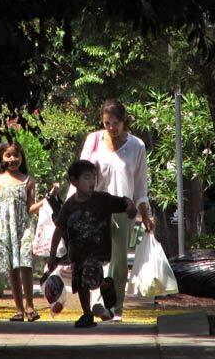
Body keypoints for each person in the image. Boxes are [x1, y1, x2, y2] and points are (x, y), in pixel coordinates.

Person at [69, 98, 154, 322]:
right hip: (94, 209)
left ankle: (115, 308)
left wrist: (145, 214)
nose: (111, 128)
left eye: (115, 123)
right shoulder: (93, 140)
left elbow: (140, 185)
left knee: (117, 261)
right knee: (94, 258)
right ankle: (99, 303)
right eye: (107, 123)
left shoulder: (137, 146)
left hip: (122, 210)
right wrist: (72, 206)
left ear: (124, 121)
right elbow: (80, 175)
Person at [0, 141, 58, 322]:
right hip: (5, 230)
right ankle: (19, 309)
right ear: (1, 157)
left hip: (23, 228)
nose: (12, 159)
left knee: (26, 265)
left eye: (16, 155)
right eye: (8, 155)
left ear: (21, 157)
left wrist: (48, 197)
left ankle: (30, 308)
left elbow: (31, 208)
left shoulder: (29, 180)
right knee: (12, 269)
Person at [48, 160, 137, 328]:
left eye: (94, 178)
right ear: (74, 182)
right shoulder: (69, 206)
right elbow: (58, 230)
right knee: (80, 283)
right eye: (87, 178)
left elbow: (123, 201)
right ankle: (87, 314)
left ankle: (104, 284)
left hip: (98, 252)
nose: (92, 182)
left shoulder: (102, 199)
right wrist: (52, 256)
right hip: (76, 253)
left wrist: (130, 205)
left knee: (89, 274)